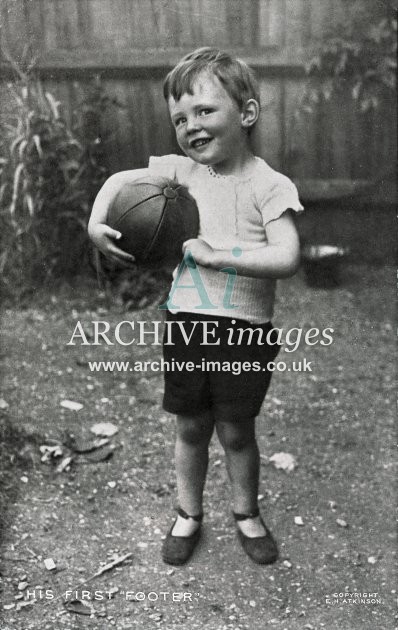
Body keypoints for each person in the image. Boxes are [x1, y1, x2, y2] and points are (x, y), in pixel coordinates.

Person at [88, 47, 303, 566]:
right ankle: (188, 514)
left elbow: (288, 255)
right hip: (186, 323)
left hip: (245, 329)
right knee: (189, 425)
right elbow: (119, 181)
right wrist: (96, 222)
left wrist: (220, 255)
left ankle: (246, 513)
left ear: (246, 114)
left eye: (204, 111)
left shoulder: (269, 185)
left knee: (235, 430)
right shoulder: (181, 174)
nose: (190, 126)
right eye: (180, 119)